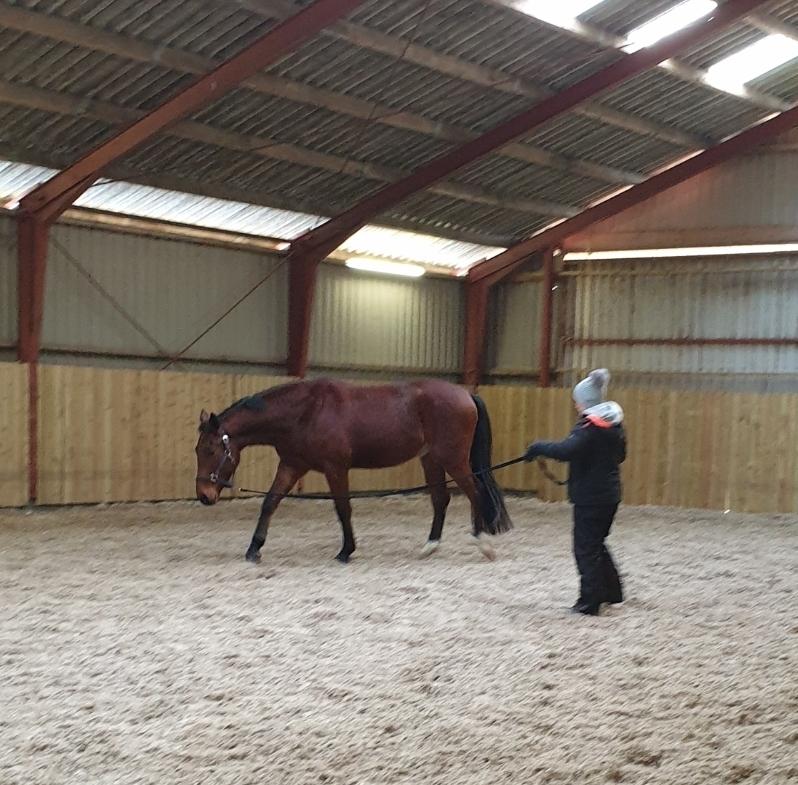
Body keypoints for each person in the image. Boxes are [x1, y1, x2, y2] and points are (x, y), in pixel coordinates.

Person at [524, 368, 626, 616]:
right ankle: (613, 592)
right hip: (609, 495)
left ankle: (589, 602)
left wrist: (538, 447)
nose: (575, 405)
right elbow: (621, 456)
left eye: (576, 400)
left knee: (585, 548)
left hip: (591, 498)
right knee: (596, 544)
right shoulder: (613, 425)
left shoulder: (589, 427)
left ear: (583, 401)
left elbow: (567, 450)